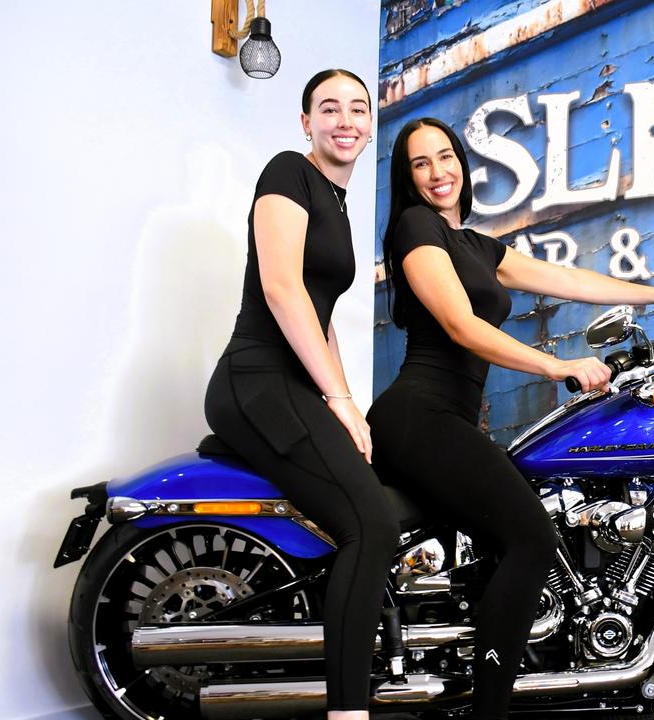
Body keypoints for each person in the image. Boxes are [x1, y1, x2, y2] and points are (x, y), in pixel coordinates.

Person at [367, 117, 654, 720]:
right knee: (531, 537)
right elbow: (459, 326)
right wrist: (558, 366)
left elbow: (570, 280)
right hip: (419, 415)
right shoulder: (416, 228)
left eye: (447, 157)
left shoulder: (475, 247)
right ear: (407, 177)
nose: (439, 172)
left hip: (449, 420)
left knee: (510, 539)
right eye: (422, 163)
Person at [203, 69, 393, 720]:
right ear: (305, 121)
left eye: (358, 109)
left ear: (370, 124)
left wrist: (347, 403)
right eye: (329, 108)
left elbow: (321, 314)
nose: (346, 119)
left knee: (376, 493)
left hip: (290, 385)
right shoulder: (288, 171)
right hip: (256, 379)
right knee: (370, 524)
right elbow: (284, 291)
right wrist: (336, 401)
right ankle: (348, 712)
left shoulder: (336, 201)